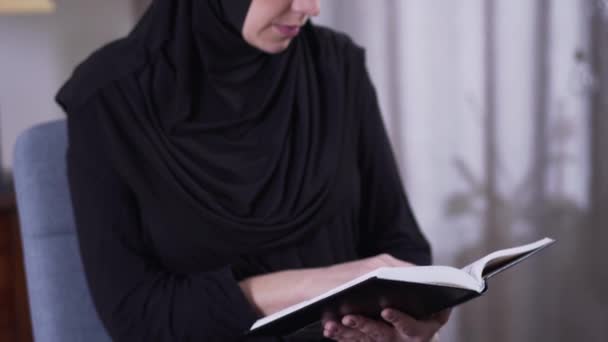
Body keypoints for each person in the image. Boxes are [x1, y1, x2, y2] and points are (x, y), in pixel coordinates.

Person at [56, 0, 451, 341]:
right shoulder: (108, 99)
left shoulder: (337, 66)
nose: (310, 7)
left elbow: (401, 244)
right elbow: (136, 318)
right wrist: (317, 285)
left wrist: (405, 321)